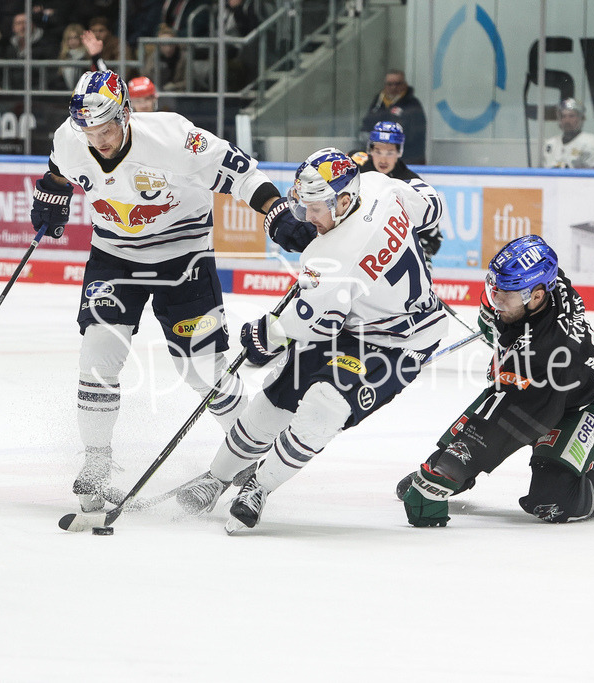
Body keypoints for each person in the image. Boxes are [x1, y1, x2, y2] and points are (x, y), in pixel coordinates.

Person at [29, 70, 290, 514]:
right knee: (97, 355)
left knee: (202, 369)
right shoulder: (71, 139)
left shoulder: (174, 139)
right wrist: (51, 194)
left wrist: (276, 210)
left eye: (106, 129)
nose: (98, 140)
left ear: (125, 115)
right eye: (89, 131)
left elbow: (242, 172)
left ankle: (247, 458)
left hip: (183, 258)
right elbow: (58, 168)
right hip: (114, 257)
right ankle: (96, 461)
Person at [172, 148, 448, 534]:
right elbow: (433, 205)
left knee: (325, 406)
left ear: (344, 201)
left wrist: (263, 335)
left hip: (399, 343)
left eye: (315, 209)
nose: (308, 217)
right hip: (354, 325)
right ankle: (216, 477)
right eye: (303, 206)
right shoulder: (379, 185)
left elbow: (311, 323)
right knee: (276, 400)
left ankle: (259, 487)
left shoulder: (330, 257)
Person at [400, 234, 594, 527]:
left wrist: (448, 471)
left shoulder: (551, 351)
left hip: (581, 404)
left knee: (553, 502)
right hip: (532, 387)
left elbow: (505, 422)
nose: (496, 300)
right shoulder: (539, 289)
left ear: (536, 296)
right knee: (444, 461)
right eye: (494, 289)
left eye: (506, 295)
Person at [351, 120, 442, 267]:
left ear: (399, 152)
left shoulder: (411, 183)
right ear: (370, 150)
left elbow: (431, 238)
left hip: (396, 255)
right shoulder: (356, 171)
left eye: (390, 152)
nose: (383, 159)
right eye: (378, 151)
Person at [360, 69, 427, 165]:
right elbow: (367, 125)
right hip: (380, 160)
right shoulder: (378, 102)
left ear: (404, 84)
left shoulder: (412, 104)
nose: (393, 87)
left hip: (407, 160)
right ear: (385, 85)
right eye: (390, 84)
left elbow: (415, 135)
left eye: (397, 84)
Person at [541, 98, 594, 169]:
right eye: (563, 116)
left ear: (580, 118)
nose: (567, 120)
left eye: (571, 116)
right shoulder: (550, 144)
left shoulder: (593, 142)